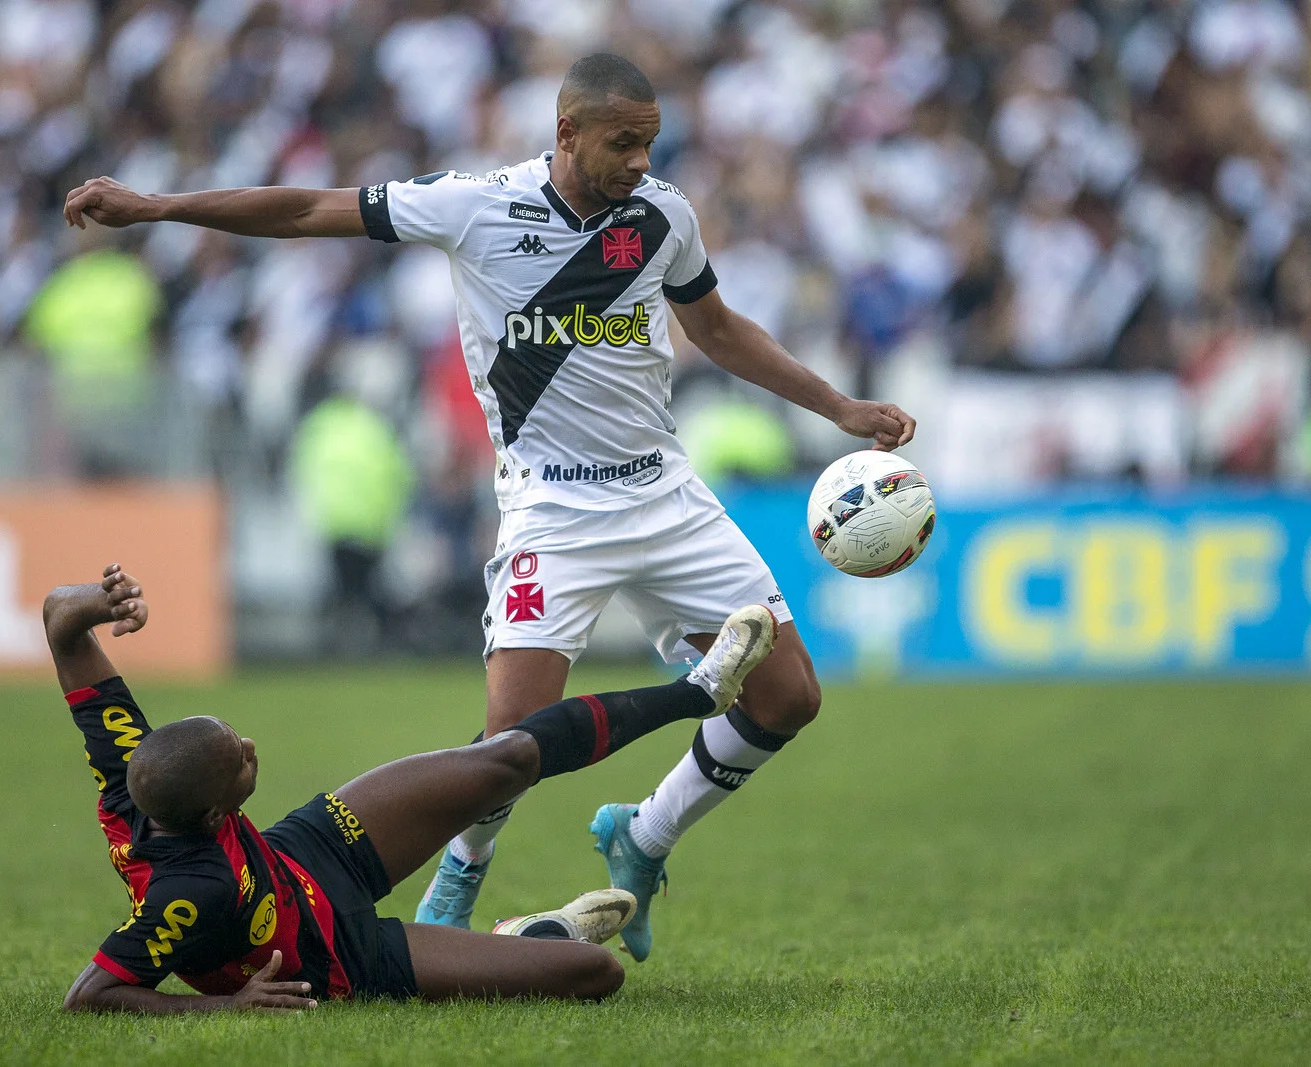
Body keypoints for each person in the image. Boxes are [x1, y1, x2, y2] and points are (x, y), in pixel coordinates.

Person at [61, 52, 917, 960]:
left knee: (789, 695)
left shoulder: (662, 215)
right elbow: (311, 210)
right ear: (567, 131)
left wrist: (841, 409)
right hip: (553, 512)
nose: (639, 160)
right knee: (508, 742)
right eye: (622, 142)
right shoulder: (474, 204)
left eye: (650, 143)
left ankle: (646, 838)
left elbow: (718, 330)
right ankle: (458, 879)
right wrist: (159, 206)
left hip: (666, 493)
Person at [50, 563, 777, 1011]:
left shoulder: (133, 768)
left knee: (504, 758)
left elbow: (60, 622)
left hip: (303, 852)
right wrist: (230, 1006)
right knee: (591, 972)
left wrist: (102, 599)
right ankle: (523, 939)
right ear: (216, 813)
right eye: (240, 761)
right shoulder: (193, 892)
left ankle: (700, 689)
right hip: (337, 955)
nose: (250, 746)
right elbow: (93, 993)